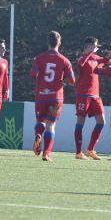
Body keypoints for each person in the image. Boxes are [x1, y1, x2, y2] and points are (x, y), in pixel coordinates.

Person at [30, 31, 75, 161]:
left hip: (41, 96)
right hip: (56, 97)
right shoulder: (65, 60)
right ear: (59, 44)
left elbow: (33, 74)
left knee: (40, 122)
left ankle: (38, 135)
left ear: (47, 42)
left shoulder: (39, 58)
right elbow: (72, 81)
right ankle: (46, 153)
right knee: (51, 125)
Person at [74, 37, 111, 160]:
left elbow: (107, 60)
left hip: (95, 95)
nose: (97, 48)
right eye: (96, 46)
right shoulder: (82, 57)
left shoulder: (96, 58)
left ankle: (90, 149)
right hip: (83, 95)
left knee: (102, 121)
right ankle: (78, 152)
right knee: (81, 121)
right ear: (90, 46)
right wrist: (91, 52)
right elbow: (79, 64)